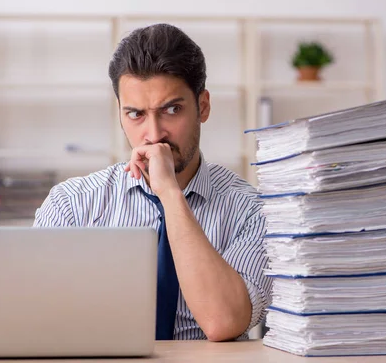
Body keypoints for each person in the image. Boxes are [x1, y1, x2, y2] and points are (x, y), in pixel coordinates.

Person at [33, 23, 272, 342]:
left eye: (172, 110)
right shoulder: (71, 204)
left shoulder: (253, 211)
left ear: (203, 106)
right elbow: (36, 322)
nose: (154, 133)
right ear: (119, 113)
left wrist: (170, 193)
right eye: (136, 115)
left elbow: (223, 321)